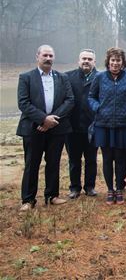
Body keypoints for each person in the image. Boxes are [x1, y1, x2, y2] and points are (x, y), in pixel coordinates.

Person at [17, 45, 74, 211]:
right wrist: (43, 119)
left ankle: (52, 195)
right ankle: (28, 200)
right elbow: (23, 103)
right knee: (32, 164)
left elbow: (70, 100)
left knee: (53, 163)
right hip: (33, 128)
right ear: (38, 57)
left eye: (51, 55)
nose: (48, 58)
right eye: (45, 55)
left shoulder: (62, 78)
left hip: (57, 128)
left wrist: (52, 119)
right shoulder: (26, 77)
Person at [89, 47, 126, 205]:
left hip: (124, 125)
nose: (115, 63)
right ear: (108, 62)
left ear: (123, 62)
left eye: (118, 60)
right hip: (104, 124)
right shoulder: (99, 77)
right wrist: (98, 108)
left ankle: (119, 188)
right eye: (113, 60)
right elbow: (91, 97)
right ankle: (110, 189)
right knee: (108, 158)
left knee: (121, 158)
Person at [65, 49, 98, 199]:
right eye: (84, 58)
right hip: (73, 127)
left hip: (93, 127)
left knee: (91, 159)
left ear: (94, 62)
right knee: (74, 159)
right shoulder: (68, 77)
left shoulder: (101, 77)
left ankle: (90, 187)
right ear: (79, 61)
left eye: (89, 59)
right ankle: (75, 188)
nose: (86, 61)